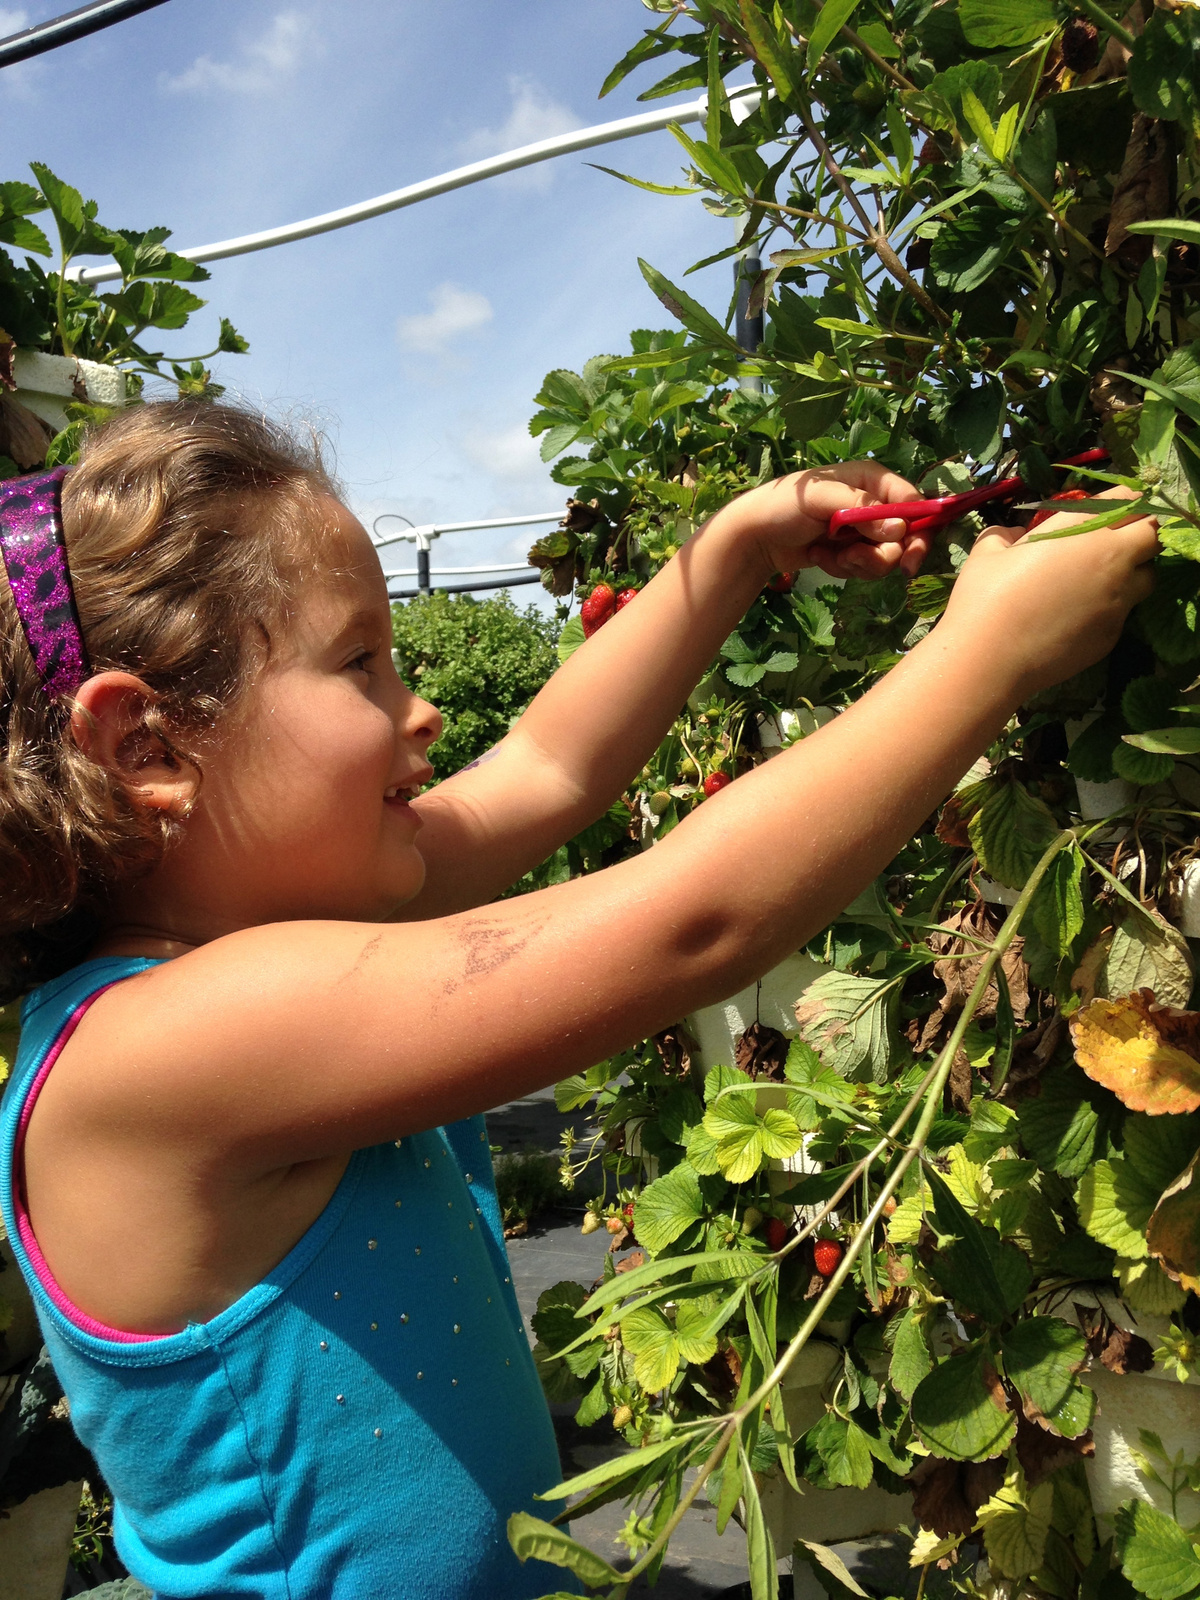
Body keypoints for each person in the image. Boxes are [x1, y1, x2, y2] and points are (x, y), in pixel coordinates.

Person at [0, 402, 1156, 1599]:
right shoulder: (166, 1048)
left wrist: (735, 553)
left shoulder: (280, 939)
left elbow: (546, 767)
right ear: (148, 749)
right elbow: (690, 921)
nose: (422, 706)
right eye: (360, 661)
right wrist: (991, 653)